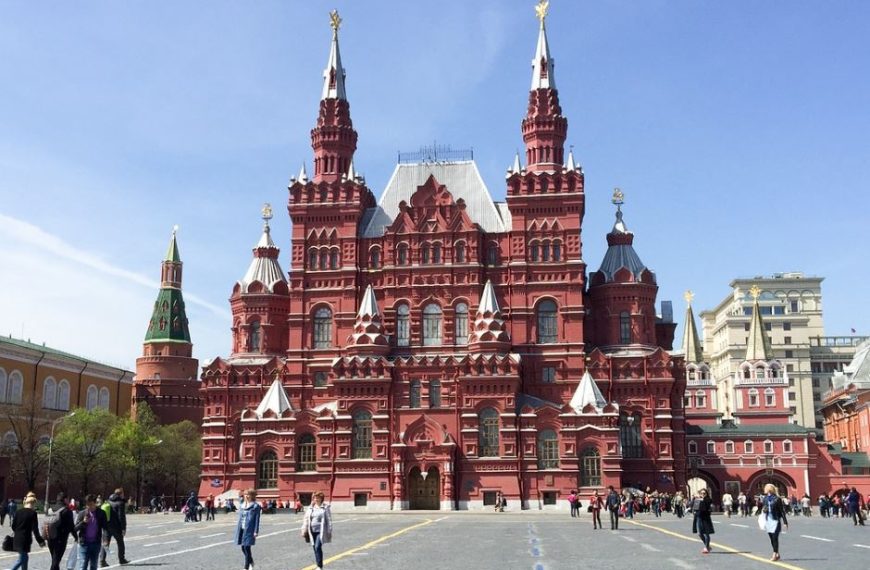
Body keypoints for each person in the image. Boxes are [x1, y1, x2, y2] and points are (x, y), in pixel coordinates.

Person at [10, 495, 45, 570]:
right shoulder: (33, 513)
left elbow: (13, 526)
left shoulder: (18, 512)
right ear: (33, 503)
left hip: (17, 539)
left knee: (24, 559)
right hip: (25, 540)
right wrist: (40, 541)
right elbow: (35, 530)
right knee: (22, 560)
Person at [75, 495, 108, 570]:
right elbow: (75, 528)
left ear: (95, 503)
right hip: (84, 543)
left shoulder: (101, 513)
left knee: (93, 565)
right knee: (83, 566)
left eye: (91, 504)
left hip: (96, 544)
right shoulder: (82, 513)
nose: (89, 507)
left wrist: (105, 539)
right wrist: (83, 522)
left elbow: (105, 528)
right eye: (87, 505)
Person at [301, 491, 332, 570]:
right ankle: (319, 563)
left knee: (318, 546)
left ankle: (319, 566)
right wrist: (303, 529)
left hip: (320, 531)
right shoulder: (310, 508)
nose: (316, 499)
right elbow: (306, 519)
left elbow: (329, 519)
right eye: (314, 498)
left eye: (318, 498)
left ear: (321, 498)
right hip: (311, 531)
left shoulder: (325, 508)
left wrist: (329, 530)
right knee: (315, 547)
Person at [46, 493, 77, 570]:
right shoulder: (66, 511)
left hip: (50, 537)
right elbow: (71, 526)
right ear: (65, 499)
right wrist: (76, 536)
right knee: (56, 561)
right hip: (61, 539)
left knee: (55, 559)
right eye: (68, 499)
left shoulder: (50, 509)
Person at [760, 484, 788, 561]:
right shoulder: (765, 498)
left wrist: (785, 522)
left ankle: (774, 554)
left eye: (766, 488)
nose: (764, 489)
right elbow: (763, 507)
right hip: (768, 520)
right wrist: (763, 509)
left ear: (769, 489)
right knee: (772, 538)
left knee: (775, 538)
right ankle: (777, 553)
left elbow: (782, 511)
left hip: (775, 520)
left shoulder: (777, 499)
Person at [235, 489, 261, 570]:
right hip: (241, 529)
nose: (246, 496)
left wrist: (256, 531)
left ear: (252, 496)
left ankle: (246, 567)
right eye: (245, 494)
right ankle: (251, 561)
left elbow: (257, 519)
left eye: (248, 494)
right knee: (243, 547)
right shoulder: (242, 505)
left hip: (250, 529)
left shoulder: (255, 506)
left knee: (247, 547)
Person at [691, 488, 714, 554]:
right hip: (698, 517)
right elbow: (692, 506)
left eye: (704, 493)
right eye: (701, 493)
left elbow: (705, 507)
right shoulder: (697, 499)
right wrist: (694, 499)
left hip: (705, 518)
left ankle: (706, 547)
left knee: (706, 534)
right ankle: (708, 546)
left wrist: (700, 499)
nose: (703, 494)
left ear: (706, 494)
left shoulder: (708, 500)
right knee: (700, 533)